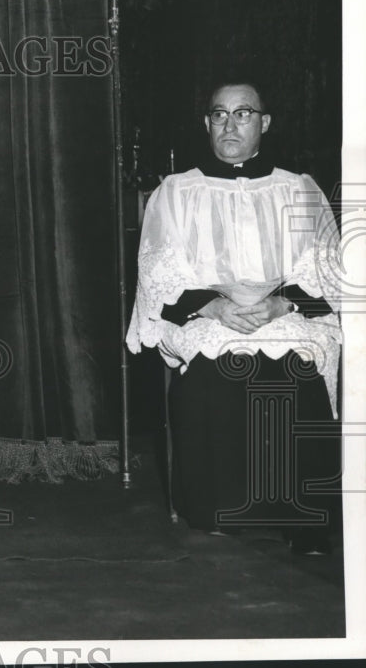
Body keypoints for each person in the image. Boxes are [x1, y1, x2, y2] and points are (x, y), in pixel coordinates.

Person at [126, 80, 342, 555]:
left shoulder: (298, 189)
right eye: (219, 114)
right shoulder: (176, 192)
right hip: (207, 312)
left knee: (296, 363)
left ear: (264, 123)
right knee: (214, 368)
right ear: (206, 124)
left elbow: (325, 266)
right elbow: (159, 267)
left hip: (283, 311)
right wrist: (212, 305)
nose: (230, 124)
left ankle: (303, 521)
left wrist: (281, 304)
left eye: (243, 114)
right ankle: (217, 510)